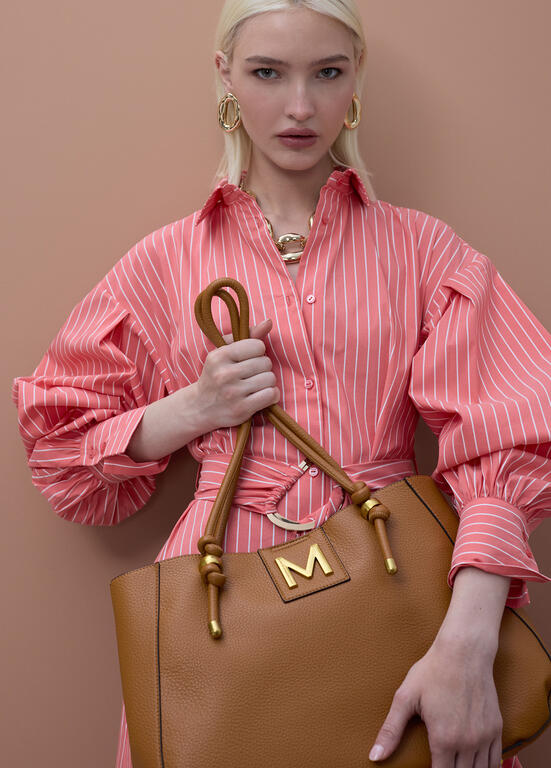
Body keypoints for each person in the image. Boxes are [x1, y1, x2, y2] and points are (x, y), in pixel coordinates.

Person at [12, 1, 551, 766]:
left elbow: (512, 438)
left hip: (405, 591)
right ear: (225, 77)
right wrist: (193, 408)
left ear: (354, 79)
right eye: (267, 73)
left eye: (326, 73)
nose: (299, 107)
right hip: (222, 601)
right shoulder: (162, 262)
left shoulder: (422, 250)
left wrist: (468, 645)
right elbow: (64, 460)